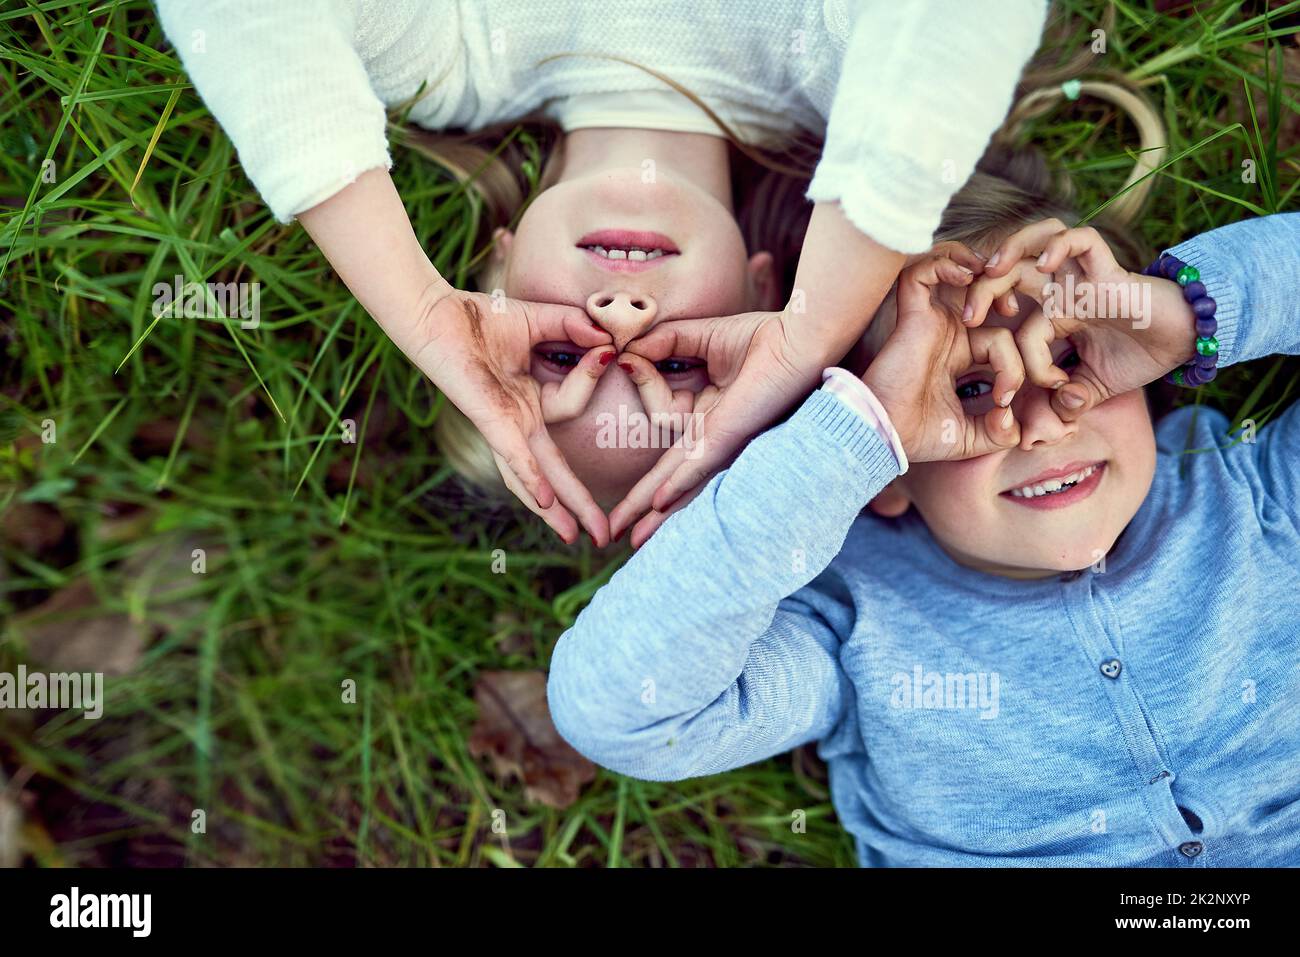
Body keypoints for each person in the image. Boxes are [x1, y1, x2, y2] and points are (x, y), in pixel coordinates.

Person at [545, 148, 1300, 864]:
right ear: (888, 473)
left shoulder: (1255, 494)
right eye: (970, 392)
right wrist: (853, 438)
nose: (1043, 425)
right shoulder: (857, 623)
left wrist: (1189, 312)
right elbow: (615, 710)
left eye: (1069, 356)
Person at [155, 0, 1048, 544]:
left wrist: (423, 311)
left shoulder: (454, 52)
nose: (619, 318)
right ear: (761, 301)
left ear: (493, 275)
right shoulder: (842, 66)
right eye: (677, 363)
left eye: (557, 354)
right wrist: (820, 326)